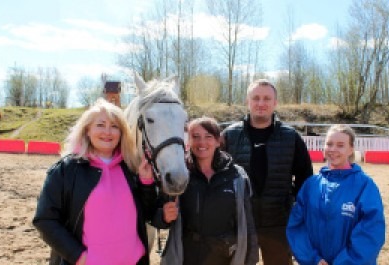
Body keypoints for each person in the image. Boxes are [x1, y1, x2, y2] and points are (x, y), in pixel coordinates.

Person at [33, 98, 158, 265]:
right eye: (100, 125)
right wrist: (79, 257)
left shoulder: (130, 168)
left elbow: (146, 213)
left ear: (121, 133)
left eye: (115, 126)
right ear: (87, 131)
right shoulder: (65, 170)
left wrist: (146, 182)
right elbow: (45, 220)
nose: (108, 132)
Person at [220, 79, 314, 265]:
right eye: (256, 98)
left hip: (279, 223)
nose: (261, 103)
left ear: (275, 103)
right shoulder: (229, 136)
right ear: (247, 101)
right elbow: (218, 177)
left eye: (266, 98)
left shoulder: (291, 137)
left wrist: (289, 203)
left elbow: (305, 179)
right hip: (241, 224)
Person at [149, 116, 259, 265]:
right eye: (196, 136)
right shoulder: (179, 175)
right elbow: (155, 217)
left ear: (217, 141)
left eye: (208, 136)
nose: (202, 142)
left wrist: (250, 259)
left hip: (224, 257)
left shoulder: (236, 176)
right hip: (188, 256)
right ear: (188, 141)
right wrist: (164, 217)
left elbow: (247, 224)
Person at [286, 124, 386, 265]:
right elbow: (297, 226)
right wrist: (313, 259)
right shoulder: (311, 185)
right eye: (329, 144)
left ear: (351, 149)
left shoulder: (365, 186)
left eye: (340, 145)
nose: (333, 149)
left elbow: (371, 232)